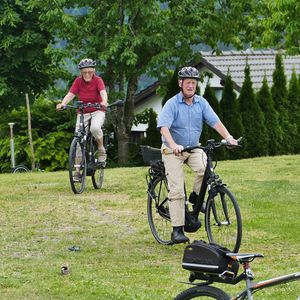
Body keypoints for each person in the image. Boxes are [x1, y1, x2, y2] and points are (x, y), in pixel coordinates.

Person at [157, 66, 238, 244]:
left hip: (193, 147)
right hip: (172, 150)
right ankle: (177, 230)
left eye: (193, 83)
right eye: (188, 82)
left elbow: (215, 121)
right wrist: (173, 145)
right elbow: (163, 128)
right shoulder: (172, 104)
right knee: (177, 189)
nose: (191, 86)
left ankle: (195, 196)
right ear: (181, 84)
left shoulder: (201, 103)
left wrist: (229, 137)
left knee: (206, 168)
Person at [56, 58, 108, 162]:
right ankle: (77, 169)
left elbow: (103, 92)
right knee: (78, 138)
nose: (87, 74)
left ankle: (101, 148)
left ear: (94, 71)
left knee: (95, 128)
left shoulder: (98, 80)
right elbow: (71, 94)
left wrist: (104, 101)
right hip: (83, 111)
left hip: (97, 110)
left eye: (90, 72)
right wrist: (63, 103)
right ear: (81, 72)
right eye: (84, 72)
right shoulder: (78, 81)